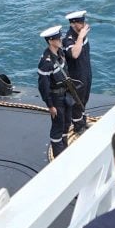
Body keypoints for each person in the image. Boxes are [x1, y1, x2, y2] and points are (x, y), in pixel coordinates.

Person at [37, 25, 74, 157]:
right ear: (50, 41)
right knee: (58, 128)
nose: (61, 40)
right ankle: (59, 156)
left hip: (66, 94)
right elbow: (43, 87)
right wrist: (50, 105)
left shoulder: (60, 53)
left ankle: (65, 149)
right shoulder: (46, 62)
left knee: (66, 123)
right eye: (58, 38)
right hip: (56, 98)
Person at [62, 10, 92, 133]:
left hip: (86, 72)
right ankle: (78, 127)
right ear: (73, 24)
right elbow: (74, 54)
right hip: (76, 76)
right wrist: (80, 37)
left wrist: (82, 35)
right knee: (77, 102)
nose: (84, 25)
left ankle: (83, 121)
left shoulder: (82, 35)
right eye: (81, 22)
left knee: (84, 98)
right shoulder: (68, 39)